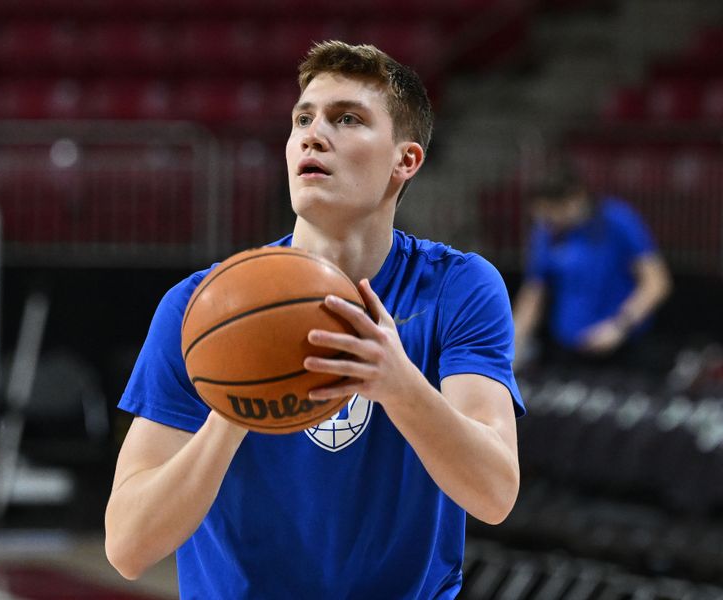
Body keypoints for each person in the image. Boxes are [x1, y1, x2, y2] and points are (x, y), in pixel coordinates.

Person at [105, 41, 524, 599]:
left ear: (406, 160)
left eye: (346, 118)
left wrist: (399, 385)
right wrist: (232, 411)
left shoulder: (457, 288)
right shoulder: (199, 307)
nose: (313, 134)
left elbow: (495, 495)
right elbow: (128, 546)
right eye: (303, 118)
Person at [512, 162, 672, 371]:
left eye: (552, 213)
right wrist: (513, 347)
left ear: (575, 197)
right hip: (568, 352)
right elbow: (533, 293)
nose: (548, 222)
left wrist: (619, 326)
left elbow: (657, 283)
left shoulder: (619, 221)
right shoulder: (546, 232)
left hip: (623, 351)